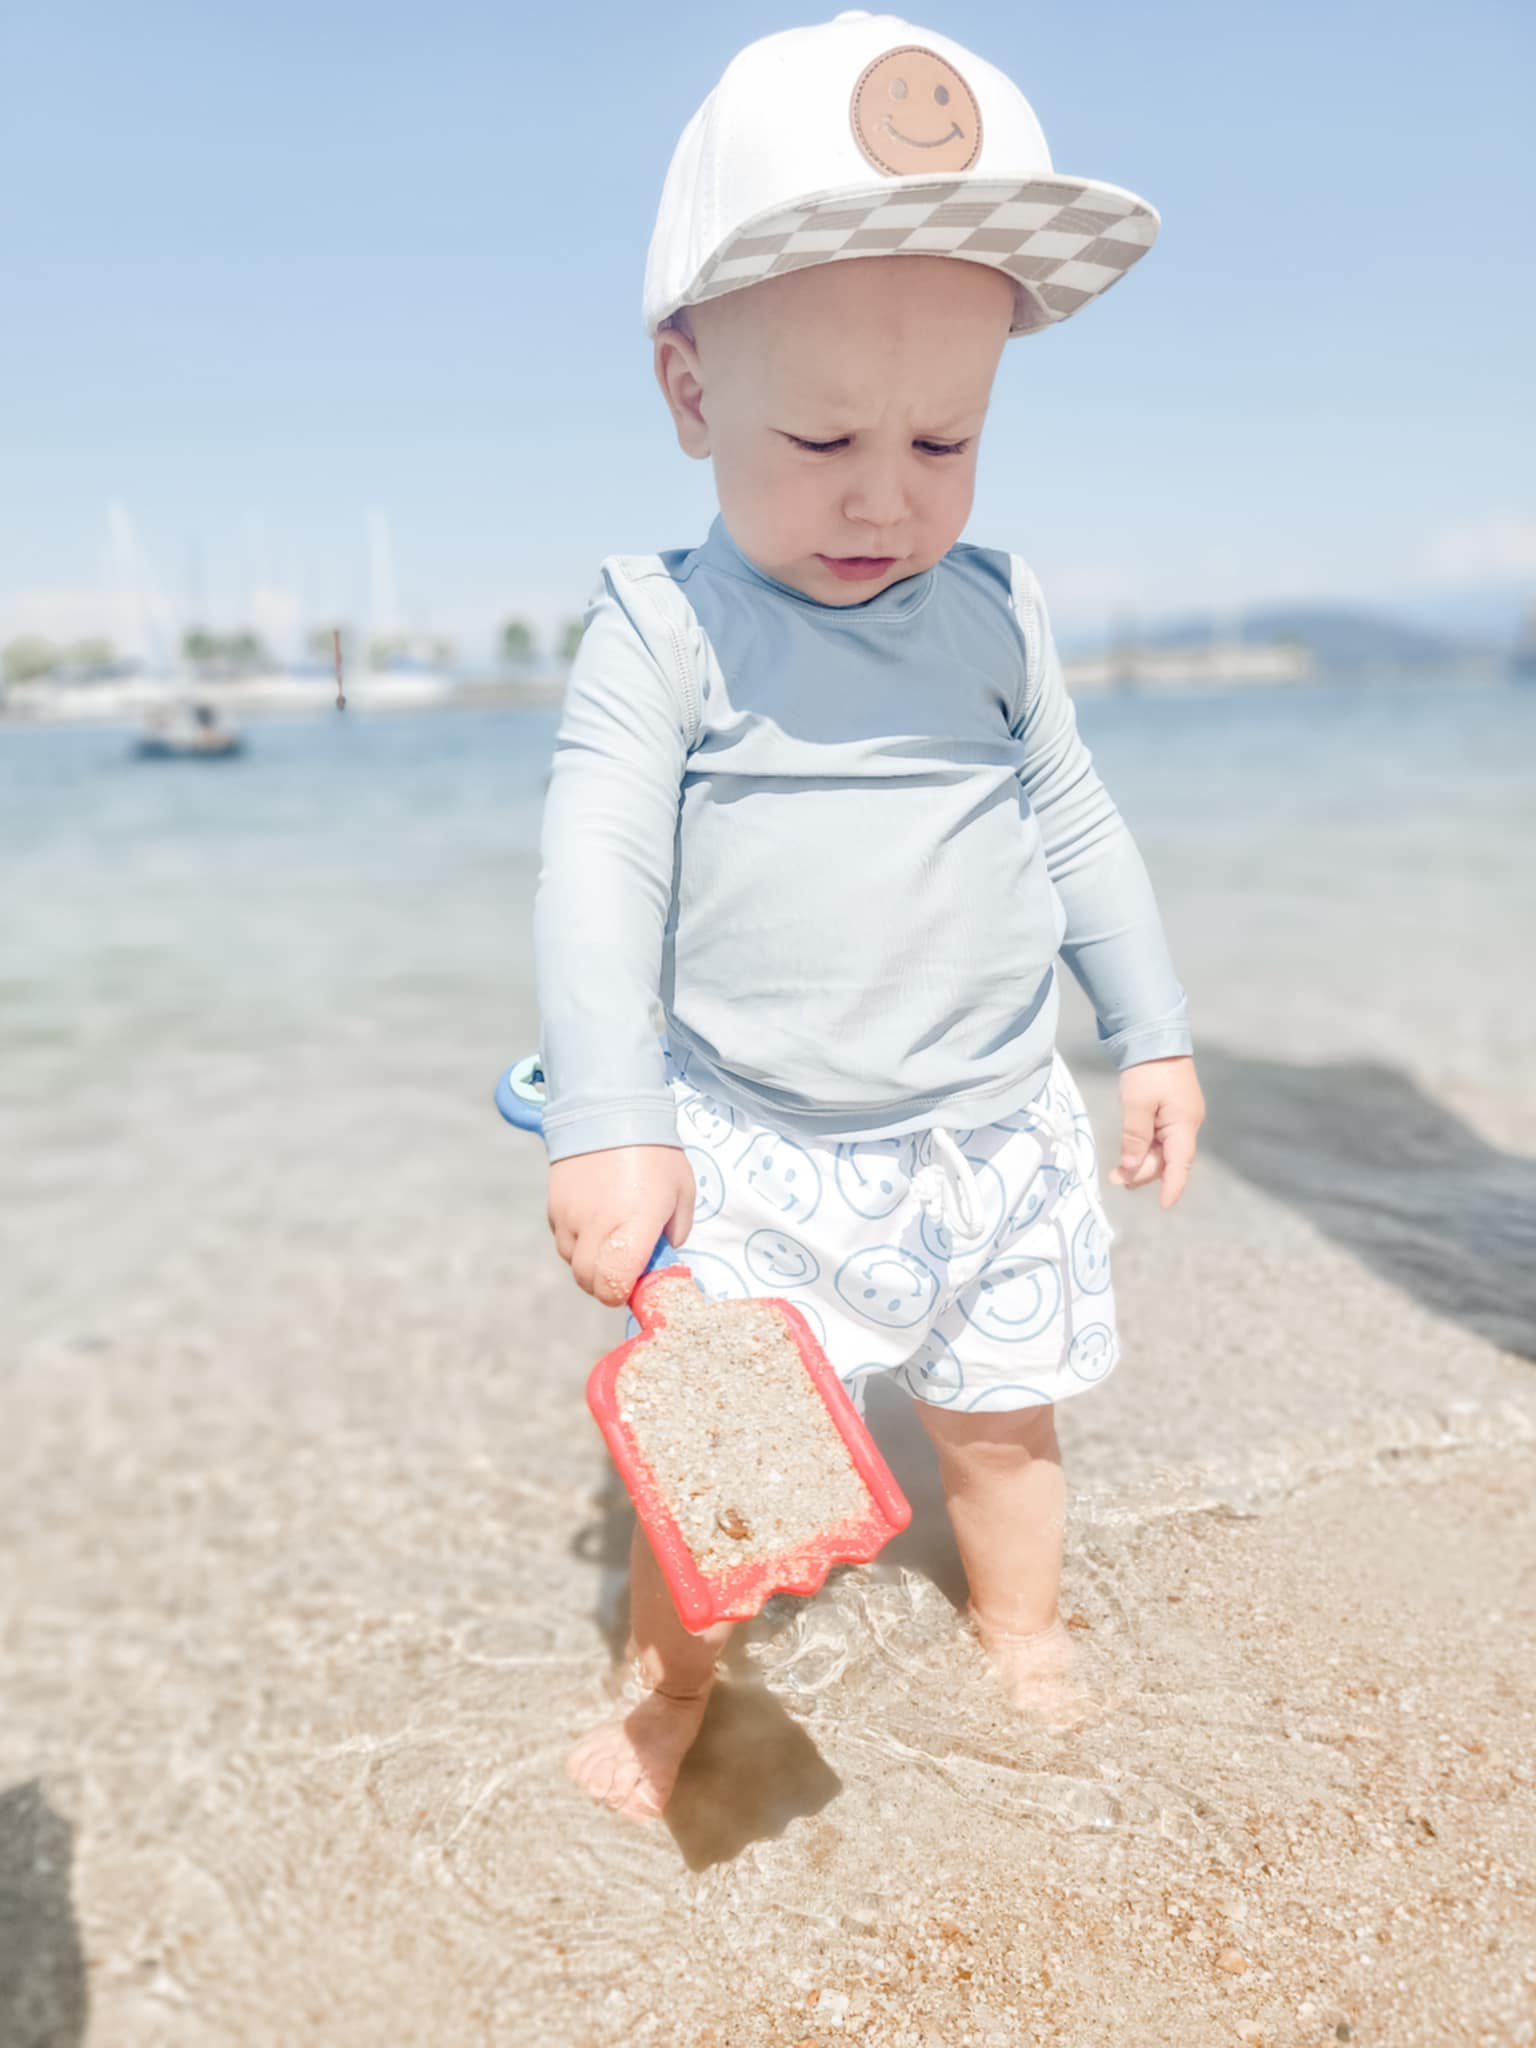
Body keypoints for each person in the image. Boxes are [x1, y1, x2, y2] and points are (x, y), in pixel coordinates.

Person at [533, 11, 1206, 1821]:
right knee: (722, 1487)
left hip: (992, 1132)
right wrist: (614, 1119)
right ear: (688, 392)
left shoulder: (993, 613)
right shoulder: (663, 632)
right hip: (753, 1149)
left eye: (946, 436)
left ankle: (1025, 1637)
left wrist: (1149, 1031)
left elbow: (1071, 817)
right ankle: (672, 1697)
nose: (885, 492)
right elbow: (601, 865)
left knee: (1004, 1434)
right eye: (824, 430)